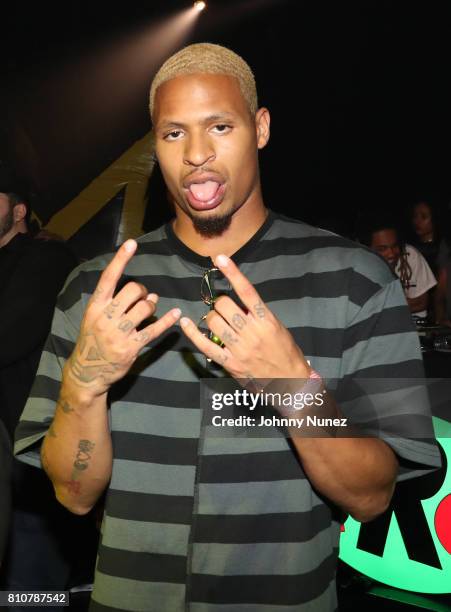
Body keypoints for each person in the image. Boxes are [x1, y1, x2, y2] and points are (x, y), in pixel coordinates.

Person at [15, 44, 440, 611]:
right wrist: (84, 384)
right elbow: (71, 493)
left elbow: (372, 496)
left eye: (219, 126)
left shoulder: (354, 279)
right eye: (173, 134)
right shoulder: (97, 290)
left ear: (260, 128)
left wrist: (292, 385)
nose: (196, 153)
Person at [0, 183, 80, 602]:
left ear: (18, 212)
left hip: (31, 444)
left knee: (31, 587)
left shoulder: (45, 258)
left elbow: (9, 335)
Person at [360, 217, 437, 319]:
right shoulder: (359, 264)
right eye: (382, 249)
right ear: (367, 250)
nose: (391, 254)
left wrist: (378, 307)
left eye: (395, 246)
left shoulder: (409, 254)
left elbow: (420, 302)